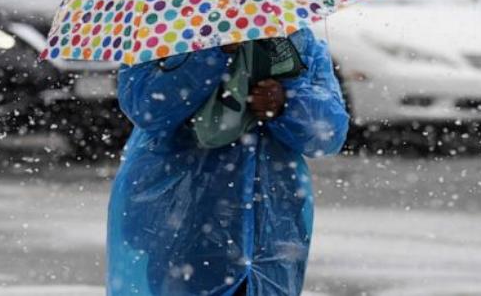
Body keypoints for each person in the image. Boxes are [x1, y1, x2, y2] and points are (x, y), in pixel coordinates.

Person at [106, 28, 349, 296]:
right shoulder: (164, 31)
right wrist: (214, 52)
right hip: (181, 216)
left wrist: (285, 104)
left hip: (270, 227)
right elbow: (146, 107)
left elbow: (328, 132)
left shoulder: (296, 41)